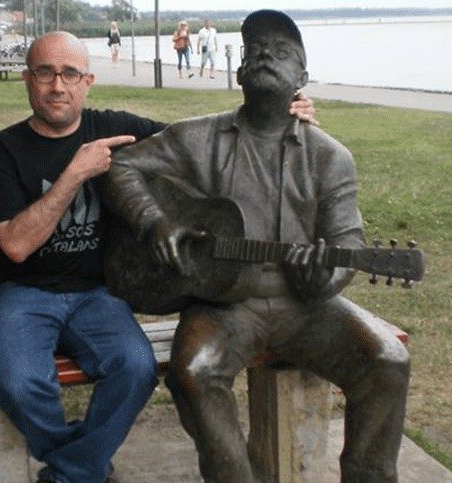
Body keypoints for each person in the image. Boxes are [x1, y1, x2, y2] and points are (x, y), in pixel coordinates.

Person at [0, 29, 318, 483]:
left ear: (87, 82)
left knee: (137, 369)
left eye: (69, 73)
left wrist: (278, 114)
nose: (57, 86)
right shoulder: (3, 149)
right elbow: (16, 246)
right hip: (23, 293)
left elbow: (208, 141)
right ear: (27, 79)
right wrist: (74, 174)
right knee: (18, 383)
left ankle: (73, 470)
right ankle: (81, 465)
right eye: (45, 73)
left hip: (97, 293)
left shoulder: (116, 129)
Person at [103, 10, 410, 482]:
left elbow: (348, 240)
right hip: (224, 307)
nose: (266, 54)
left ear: (302, 78)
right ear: (241, 71)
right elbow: (122, 167)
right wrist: (153, 221)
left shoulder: (330, 157)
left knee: (387, 360)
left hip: (305, 307)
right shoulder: (197, 136)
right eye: (256, 49)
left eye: (282, 51)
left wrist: (323, 277)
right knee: (195, 370)